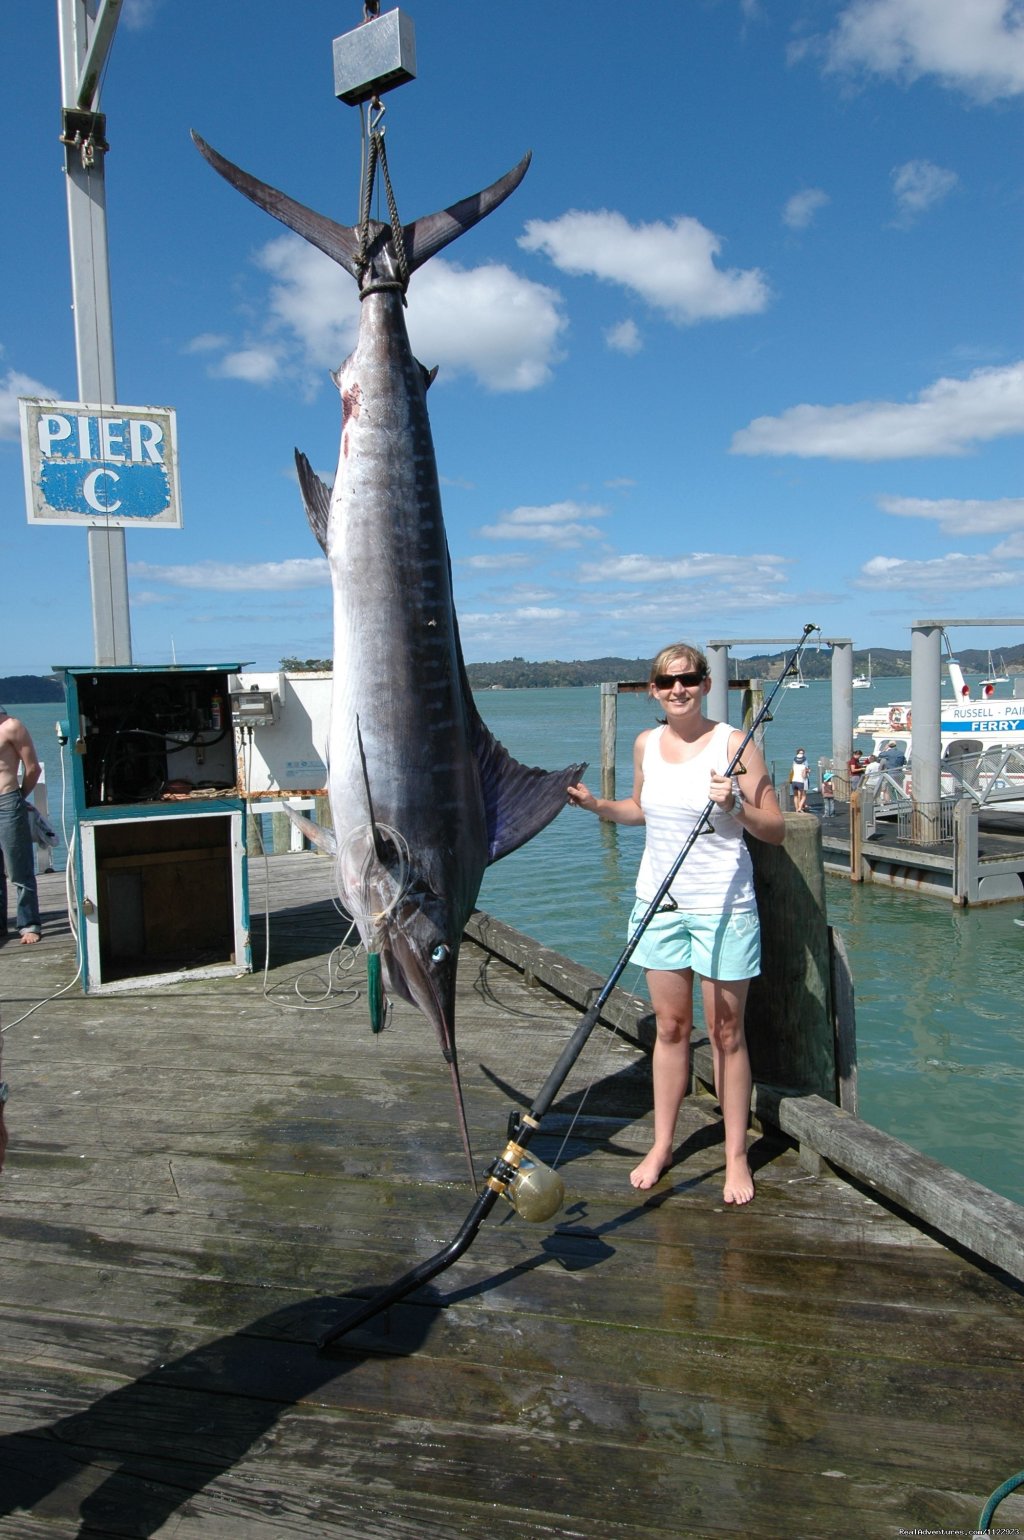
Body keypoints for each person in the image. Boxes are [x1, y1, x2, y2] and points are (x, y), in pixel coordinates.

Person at [567, 642, 784, 1206]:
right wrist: (597, 806)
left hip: (723, 907)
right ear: (652, 691)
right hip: (657, 904)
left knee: (728, 1034)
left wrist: (735, 805)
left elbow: (776, 829)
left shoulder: (735, 744)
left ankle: (736, 1155)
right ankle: (663, 1144)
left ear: (706, 684)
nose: (677, 689)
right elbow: (641, 809)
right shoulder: (645, 744)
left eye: (687, 679)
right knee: (669, 1029)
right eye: (665, 683)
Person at [0, 706, 43, 945]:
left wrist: (19, 797)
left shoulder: (11, 726)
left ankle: (29, 924)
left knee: (18, 868)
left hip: (7, 801)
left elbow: (32, 768)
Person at [790, 747, 810, 813]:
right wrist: (808, 771)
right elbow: (806, 773)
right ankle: (799, 808)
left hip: (793, 781)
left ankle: (797, 809)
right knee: (803, 796)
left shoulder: (794, 765)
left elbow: (791, 771)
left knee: (795, 796)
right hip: (801, 781)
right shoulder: (804, 766)